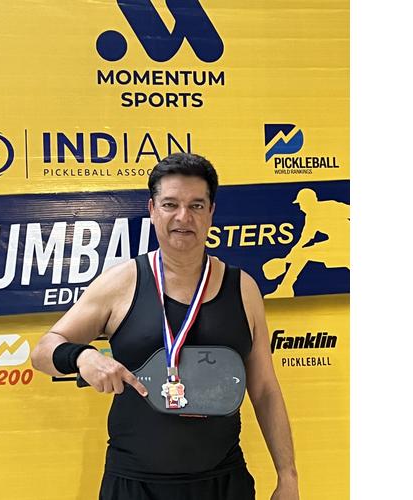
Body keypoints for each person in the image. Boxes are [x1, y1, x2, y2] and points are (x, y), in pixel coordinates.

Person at [31, 153, 299, 500]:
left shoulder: (243, 289)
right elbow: (42, 352)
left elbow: (264, 389)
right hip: (135, 485)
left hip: (222, 483)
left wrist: (287, 476)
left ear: (211, 212)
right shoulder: (121, 283)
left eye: (196, 205)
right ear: (153, 209)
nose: (183, 217)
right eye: (170, 204)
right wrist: (82, 356)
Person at [263, 187, 350, 298]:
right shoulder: (311, 218)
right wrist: (290, 256)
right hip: (335, 244)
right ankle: (285, 289)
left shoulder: (330, 206)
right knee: (302, 254)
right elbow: (304, 239)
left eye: (301, 204)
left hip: (345, 243)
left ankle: (285, 289)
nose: (300, 208)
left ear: (308, 202)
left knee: (303, 254)